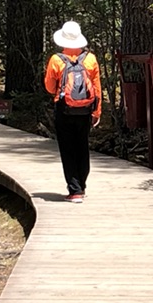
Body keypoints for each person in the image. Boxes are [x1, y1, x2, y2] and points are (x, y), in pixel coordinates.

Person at [44, 21, 102, 202]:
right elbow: (97, 89)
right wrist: (96, 113)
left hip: (64, 110)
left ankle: (74, 190)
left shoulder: (56, 60)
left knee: (68, 149)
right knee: (82, 147)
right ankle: (82, 187)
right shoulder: (90, 59)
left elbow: (49, 87)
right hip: (85, 110)